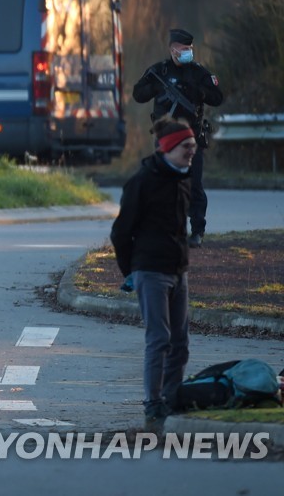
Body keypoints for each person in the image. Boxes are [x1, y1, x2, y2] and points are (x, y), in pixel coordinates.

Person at [110, 117, 196, 431]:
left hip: (178, 270)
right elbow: (121, 232)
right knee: (159, 339)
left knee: (181, 342)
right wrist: (130, 270)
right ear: (169, 148)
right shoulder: (142, 182)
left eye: (193, 146)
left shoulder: (184, 178)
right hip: (150, 271)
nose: (192, 152)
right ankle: (153, 404)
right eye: (187, 147)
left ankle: (172, 398)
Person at [132, 28, 223, 248]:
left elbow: (217, 97)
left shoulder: (199, 72)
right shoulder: (159, 71)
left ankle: (197, 231)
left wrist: (201, 92)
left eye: (190, 49)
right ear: (173, 50)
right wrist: (155, 87)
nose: (187, 52)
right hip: (167, 139)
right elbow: (138, 94)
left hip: (192, 138)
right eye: (183, 49)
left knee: (194, 186)